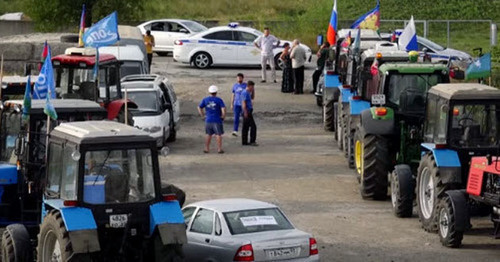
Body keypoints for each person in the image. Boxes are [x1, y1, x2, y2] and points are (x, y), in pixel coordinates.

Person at [198, 85, 226, 154]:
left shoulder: (205, 100)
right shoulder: (219, 100)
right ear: (216, 92)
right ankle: (219, 149)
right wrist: (223, 116)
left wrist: (202, 115)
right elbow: (223, 109)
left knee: (208, 134)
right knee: (218, 134)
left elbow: (199, 107)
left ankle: (207, 148)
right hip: (217, 119)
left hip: (208, 119)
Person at [241, 81, 258, 146]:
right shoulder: (245, 93)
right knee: (253, 126)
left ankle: (244, 141)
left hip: (248, 110)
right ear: (249, 86)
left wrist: (253, 91)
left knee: (246, 127)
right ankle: (252, 141)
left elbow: (252, 97)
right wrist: (245, 112)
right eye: (252, 87)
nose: (252, 88)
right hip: (247, 111)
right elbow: (243, 103)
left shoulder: (248, 92)